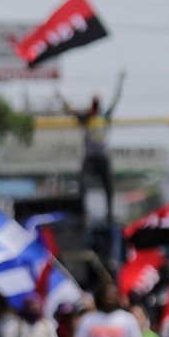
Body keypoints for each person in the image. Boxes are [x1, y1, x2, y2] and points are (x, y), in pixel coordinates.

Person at [57, 71, 125, 223]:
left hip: (102, 156)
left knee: (108, 186)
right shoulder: (87, 117)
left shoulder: (104, 117)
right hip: (90, 157)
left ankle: (109, 215)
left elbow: (115, 100)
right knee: (82, 184)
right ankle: (81, 212)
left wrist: (120, 82)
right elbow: (71, 111)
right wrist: (60, 97)